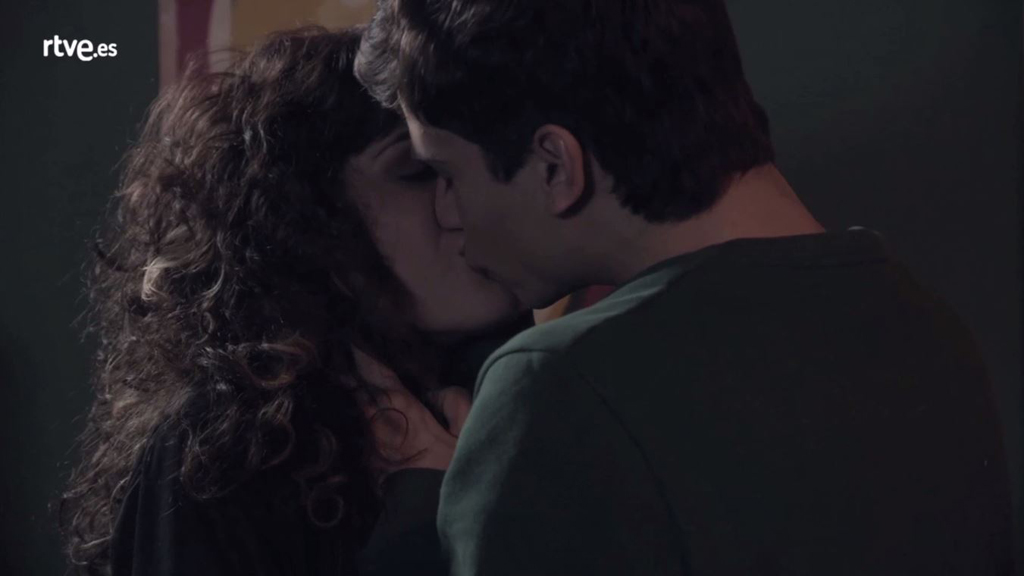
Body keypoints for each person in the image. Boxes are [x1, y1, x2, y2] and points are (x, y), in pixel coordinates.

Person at [354, 1, 1016, 574]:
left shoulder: (559, 385)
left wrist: (423, 525)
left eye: (447, 172)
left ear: (555, 166)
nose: (448, 212)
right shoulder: (922, 322)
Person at [58, 27, 526, 576]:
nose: (462, 204)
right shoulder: (220, 454)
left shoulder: (538, 400)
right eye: (420, 172)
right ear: (305, 219)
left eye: (467, 169)